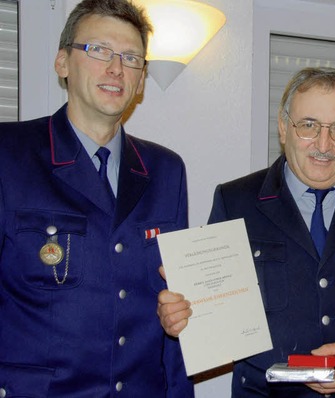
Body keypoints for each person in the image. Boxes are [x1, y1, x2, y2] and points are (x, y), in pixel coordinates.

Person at [157, 67, 335, 397]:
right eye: (308, 126)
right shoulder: (237, 201)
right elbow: (213, 312)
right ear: (283, 127)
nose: (323, 144)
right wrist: (183, 317)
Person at [0, 0, 193, 396]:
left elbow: (175, 307)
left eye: (131, 58)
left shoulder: (166, 171)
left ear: (140, 81)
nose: (116, 68)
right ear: (62, 63)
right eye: (98, 50)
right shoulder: (9, 154)